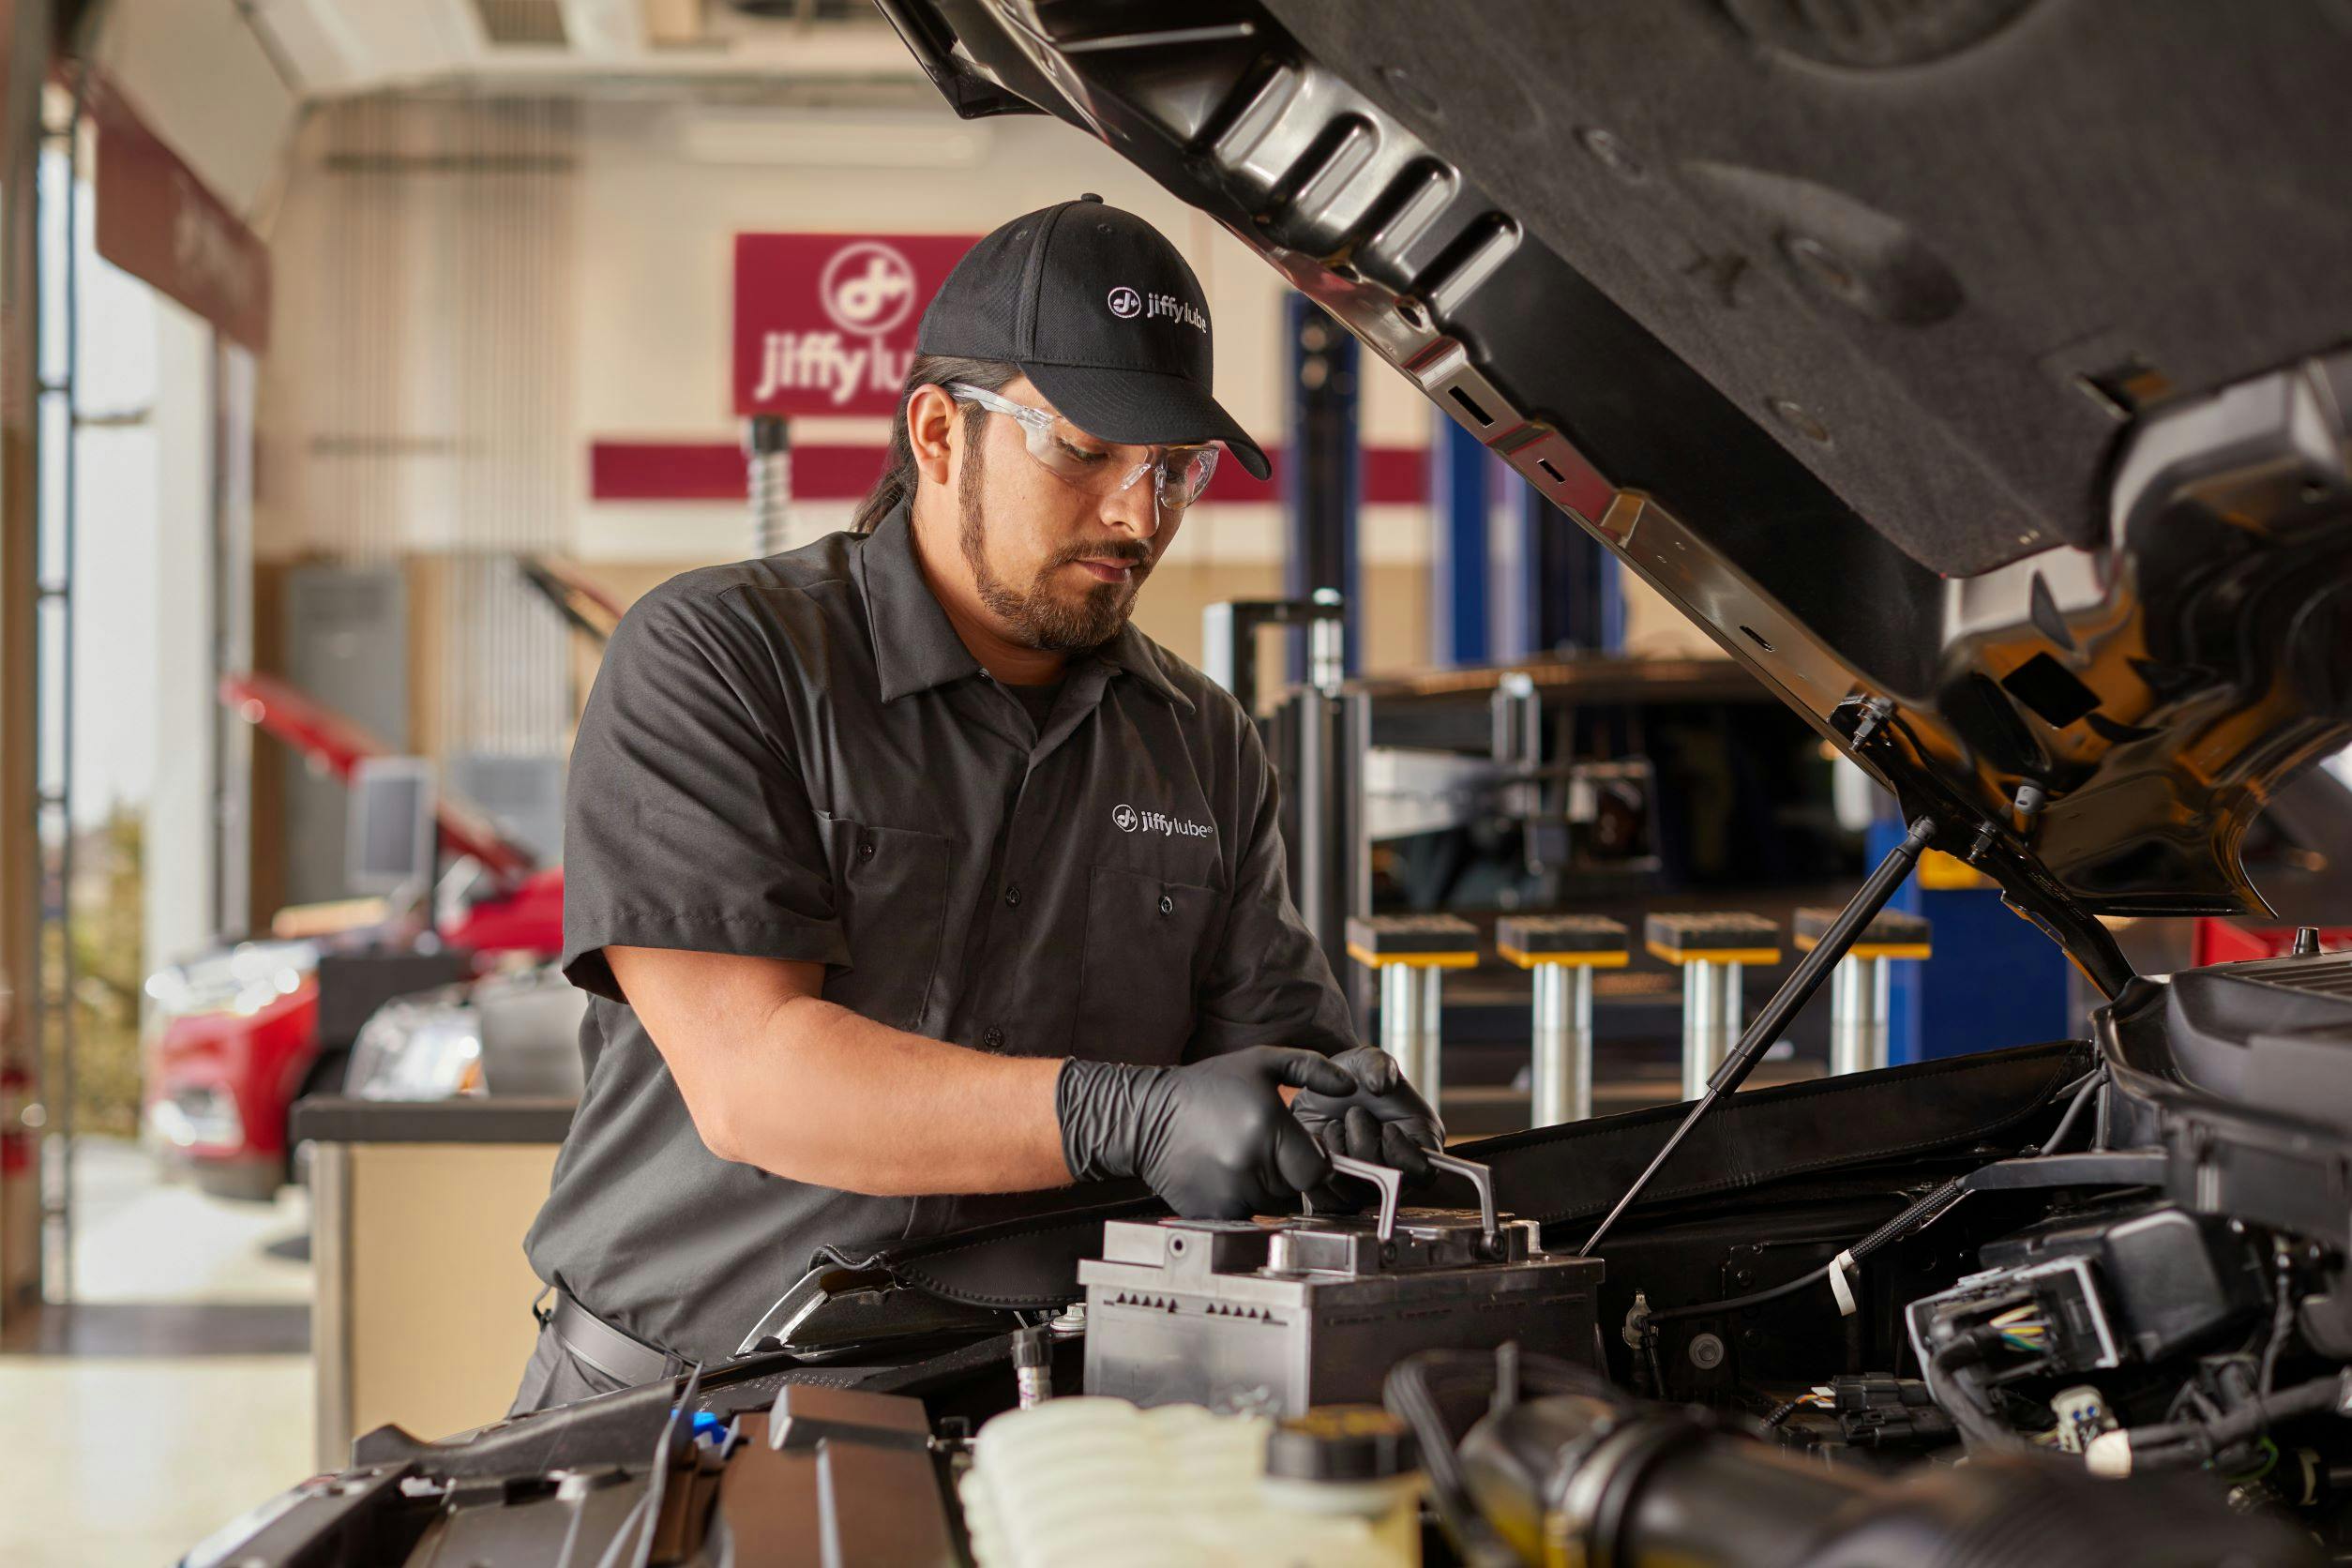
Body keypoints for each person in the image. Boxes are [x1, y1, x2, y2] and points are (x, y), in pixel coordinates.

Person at [509, 196, 1440, 1413]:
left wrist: (1336, 1113)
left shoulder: (1200, 743)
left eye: (1175, 467)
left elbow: (1270, 1057)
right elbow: (755, 1081)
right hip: (681, 1416)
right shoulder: (718, 658)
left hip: (1038, 1428)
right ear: (941, 434)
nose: (1138, 515)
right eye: (1088, 449)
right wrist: (1131, 1114)